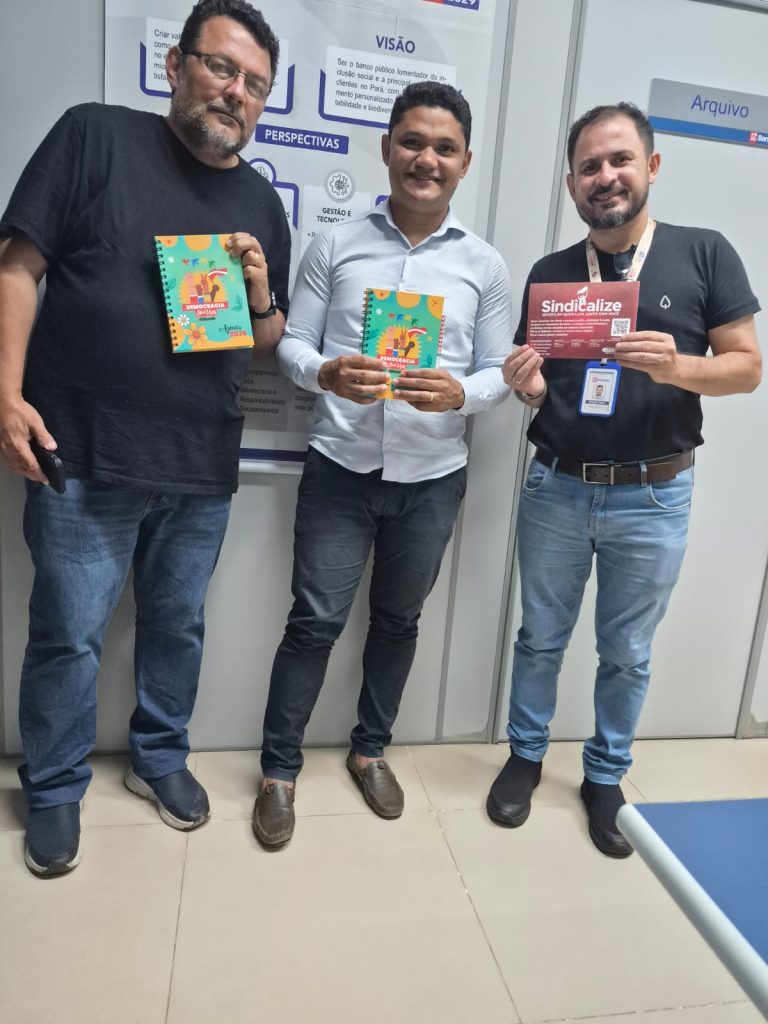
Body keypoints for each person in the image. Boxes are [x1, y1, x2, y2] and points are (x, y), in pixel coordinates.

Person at [0, 0, 290, 876]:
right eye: (221, 68)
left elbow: (266, 339)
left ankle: (159, 755)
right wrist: (4, 394)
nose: (235, 92)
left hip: (201, 463)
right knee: (68, 633)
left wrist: (260, 292)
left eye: (254, 84)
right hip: (82, 453)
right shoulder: (94, 136)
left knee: (177, 625)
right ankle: (54, 785)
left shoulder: (259, 201)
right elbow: (18, 265)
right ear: (175, 65)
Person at [487, 101, 761, 858]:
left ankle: (605, 776)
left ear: (652, 167)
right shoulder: (551, 274)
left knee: (628, 651)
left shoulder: (704, 253)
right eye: (589, 167)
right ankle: (525, 755)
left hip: (654, 493)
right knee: (539, 637)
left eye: (619, 160)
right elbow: (540, 382)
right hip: (557, 486)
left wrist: (677, 367)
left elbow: (747, 369)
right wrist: (528, 388)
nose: (604, 176)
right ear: (572, 184)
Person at [252, 81, 513, 849]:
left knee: (399, 621)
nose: (426, 159)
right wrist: (325, 373)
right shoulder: (336, 245)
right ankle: (278, 771)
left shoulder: (484, 265)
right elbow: (292, 345)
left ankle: (370, 752)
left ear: (465, 162)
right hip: (340, 468)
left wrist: (462, 393)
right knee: (314, 621)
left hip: (432, 478)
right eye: (412, 142)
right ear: (387, 148)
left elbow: (498, 372)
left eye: (444, 148)